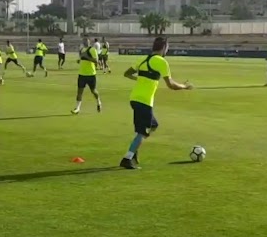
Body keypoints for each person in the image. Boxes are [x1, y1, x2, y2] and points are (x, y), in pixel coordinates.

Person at [119, 37, 193, 169]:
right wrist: (184, 87)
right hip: (144, 101)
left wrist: (140, 79)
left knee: (153, 125)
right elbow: (170, 85)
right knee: (143, 131)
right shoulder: (161, 62)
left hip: (135, 98)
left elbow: (126, 74)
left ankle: (133, 151)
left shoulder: (142, 59)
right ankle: (128, 158)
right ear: (164, 47)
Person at [71, 36, 102, 114]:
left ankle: (98, 102)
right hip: (82, 74)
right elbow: (81, 58)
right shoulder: (81, 50)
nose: (85, 42)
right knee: (79, 92)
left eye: (87, 41)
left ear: (89, 42)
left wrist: (87, 57)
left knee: (93, 91)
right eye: (84, 41)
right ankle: (77, 108)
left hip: (91, 74)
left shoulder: (92, 50)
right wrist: (79, 60)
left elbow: (96, 61)